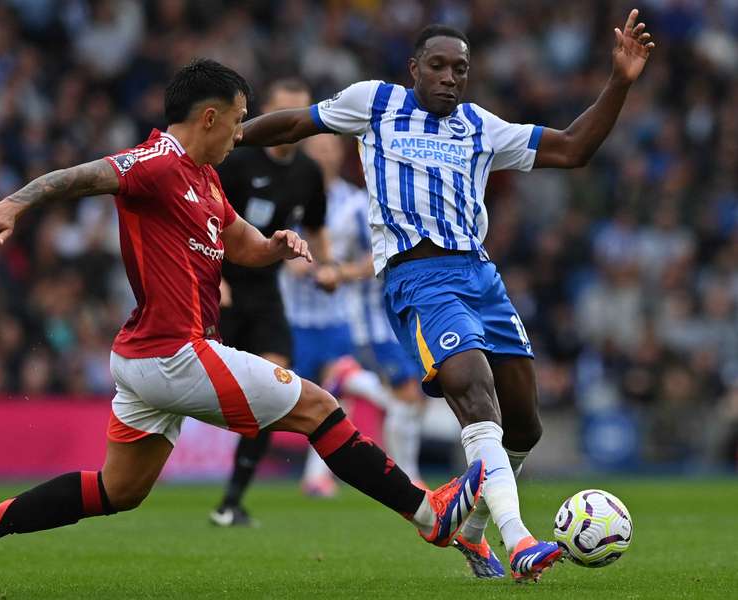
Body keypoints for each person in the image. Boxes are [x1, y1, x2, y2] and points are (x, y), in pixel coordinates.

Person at [0, 59, 485, 595]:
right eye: (238, 121)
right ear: (209, 117)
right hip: (173, 353)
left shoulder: (206, 179)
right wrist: (15, 204)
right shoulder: (157, 163)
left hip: (146, 358)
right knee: (317, 407)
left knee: (120, 490)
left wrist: (275, 247)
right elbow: (80, 177)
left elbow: (241, 243)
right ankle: (428, 513)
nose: (241, 135)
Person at [234, 9, 654, 582]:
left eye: (461, 68)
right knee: (475, 393)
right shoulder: (374, 103)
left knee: (523, 424)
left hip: (482, 278)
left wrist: (620, 81)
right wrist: (232, 137)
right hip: (419, 277)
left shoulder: (481, 126)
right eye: (438, 66)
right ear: (414, 69)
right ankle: (520, 540)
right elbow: (294, 126)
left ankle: (472, 531)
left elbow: (573, 149)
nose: (450, 77)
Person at [209, 77, 337, 526]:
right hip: (217, 288)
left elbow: (318, 226)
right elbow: (204, 218)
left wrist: (327, 265)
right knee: (186, 390)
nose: (291, 126)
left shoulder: (307, 172)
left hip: (264, 294)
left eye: (299, 117)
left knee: (274, 385)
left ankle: (231, 503)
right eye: (284, 114)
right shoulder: (237, 160)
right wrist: (216, 277)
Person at [300, 133, 426, 486]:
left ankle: (317, 477)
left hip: (365, 312)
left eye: (329, 148)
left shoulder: (357, 204)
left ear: (340, 154)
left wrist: (341, 272)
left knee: (334, 399)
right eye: (316, 148)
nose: (323, 155)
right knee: (397, 394)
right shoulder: (297, 198)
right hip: (340, 319)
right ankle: (410, 478)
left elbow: (378, 257)